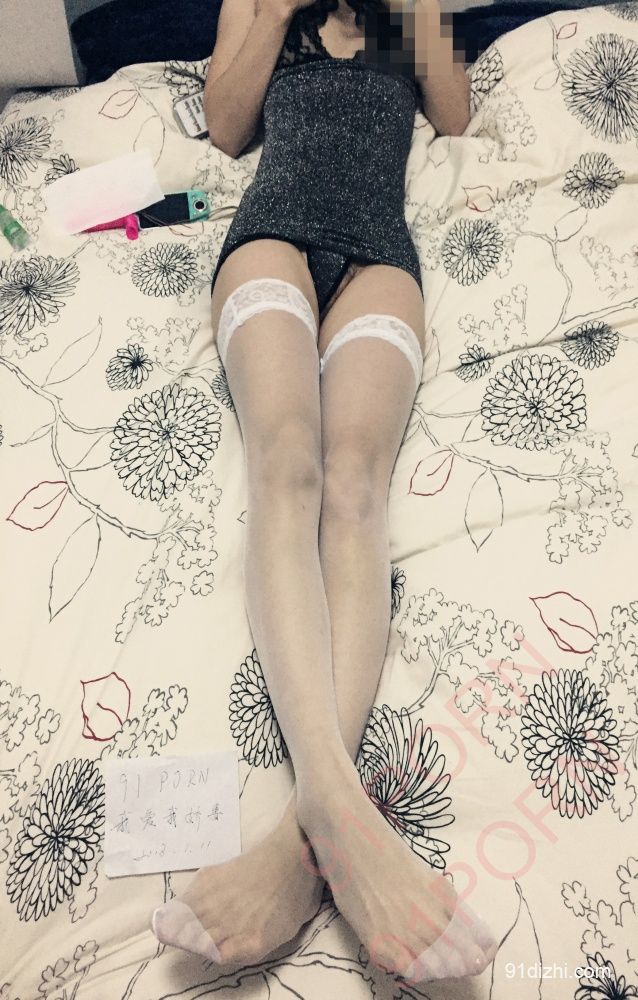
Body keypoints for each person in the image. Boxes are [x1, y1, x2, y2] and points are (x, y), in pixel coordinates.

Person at [151, 0, 498, 983]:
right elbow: (225, 127)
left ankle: (303, 833)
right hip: (272, 233)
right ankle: (341, 815)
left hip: (382, 253)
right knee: (286, 460)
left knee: (355, 486)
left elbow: (457, 115)